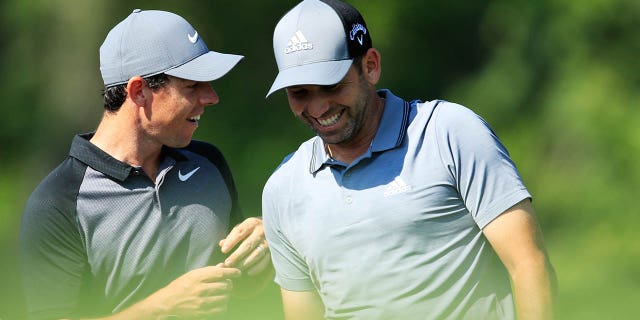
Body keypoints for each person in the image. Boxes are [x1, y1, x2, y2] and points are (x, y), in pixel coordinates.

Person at [262, 1, 557, 319]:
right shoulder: (283, 189)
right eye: (299, 93)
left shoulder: (450, 134)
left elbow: (529, 266)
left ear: (370, 66)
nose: (318, 107)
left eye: (332, 85)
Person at [20, 9, 273, 320]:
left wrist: (263, 253)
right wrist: (164, 308)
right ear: (138, 91)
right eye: (193, 86)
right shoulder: (58, 202)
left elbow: (241, 288)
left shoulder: (209, 164)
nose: (212, 97)